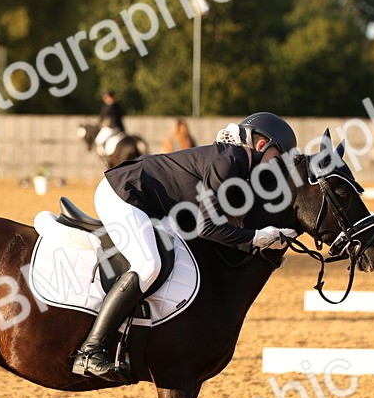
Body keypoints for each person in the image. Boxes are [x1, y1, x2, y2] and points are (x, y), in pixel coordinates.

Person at [72, 112, 299, 383]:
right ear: (262, 145)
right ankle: (90, 350)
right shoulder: (230, 160)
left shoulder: (236, 164)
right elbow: (208, 227)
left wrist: (261, 245)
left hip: (150, 205)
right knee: (149, 265)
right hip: (123, 194)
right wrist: (256, 239)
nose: (277, 168)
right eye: (278, 158)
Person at [94, 89, 126, 154]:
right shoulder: (119, 105)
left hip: (112, 128)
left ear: (110, 97)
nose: (105, 99)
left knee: (98, 141)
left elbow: (102, 117)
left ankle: (104, 156)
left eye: (106, 97)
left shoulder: (108, 107)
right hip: (121, 128)